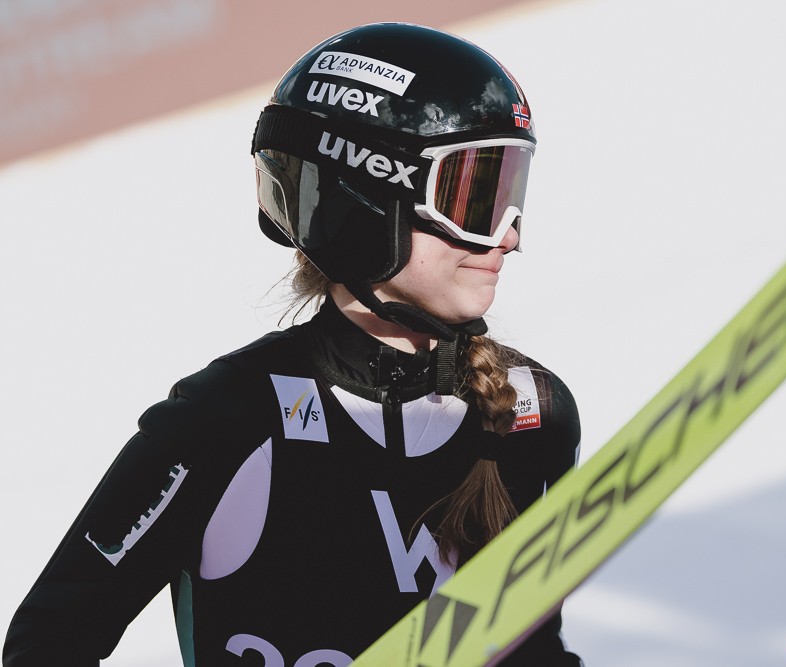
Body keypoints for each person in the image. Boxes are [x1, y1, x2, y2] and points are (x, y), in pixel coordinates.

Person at [2, 21, 583, 666]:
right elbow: (48, 642)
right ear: (367, 197)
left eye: (511, 193)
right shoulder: (229, 419)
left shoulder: (531, 415)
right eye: (474, 195)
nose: (508, 236)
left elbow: (533, 652)